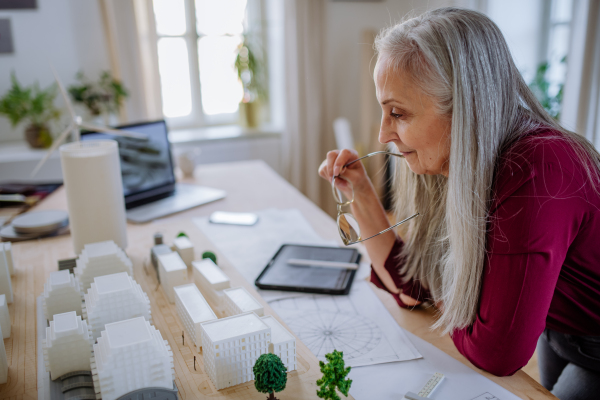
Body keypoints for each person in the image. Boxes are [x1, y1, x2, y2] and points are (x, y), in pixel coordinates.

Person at [318, 8, 600, 400]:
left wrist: (444, 294)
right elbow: (417, 281)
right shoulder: (458, 163)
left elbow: (498, 351)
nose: (383, 134)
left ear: (465, 107)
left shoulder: (538, 169)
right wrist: (362, 195)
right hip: (559, 325)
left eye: (397, 113)